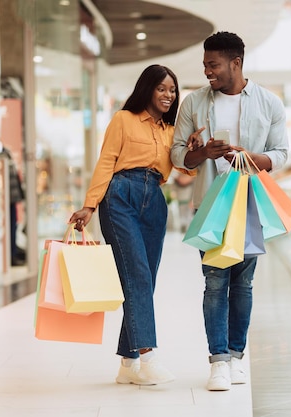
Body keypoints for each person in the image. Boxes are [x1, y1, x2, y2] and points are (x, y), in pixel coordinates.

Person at [170, 31, 289, 391]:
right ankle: (218, 361)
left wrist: (248, 157)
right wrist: (204, 152)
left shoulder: (270, 103)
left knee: (243, 283)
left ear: (235, 63)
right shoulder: (194, 103)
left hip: (251, 203)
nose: (208, 71)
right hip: (210, 204)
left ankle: (237, 356)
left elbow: (281, 154)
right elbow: (178, 155)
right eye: (205, 65)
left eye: (213, 65)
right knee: (215, 281)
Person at [69, 64, 198, 386]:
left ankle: (128, 364)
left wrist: (194, 150)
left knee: (145, 279)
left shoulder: (172, 131)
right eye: (162, 88)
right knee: (137, 275)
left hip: (155, 200)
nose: (168, 95)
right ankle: (148, 355)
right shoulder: (123, 120)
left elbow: (185, 172)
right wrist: (90, 205)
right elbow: (106, 162)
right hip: (120, 197)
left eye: (172, 89)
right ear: (147, 89)